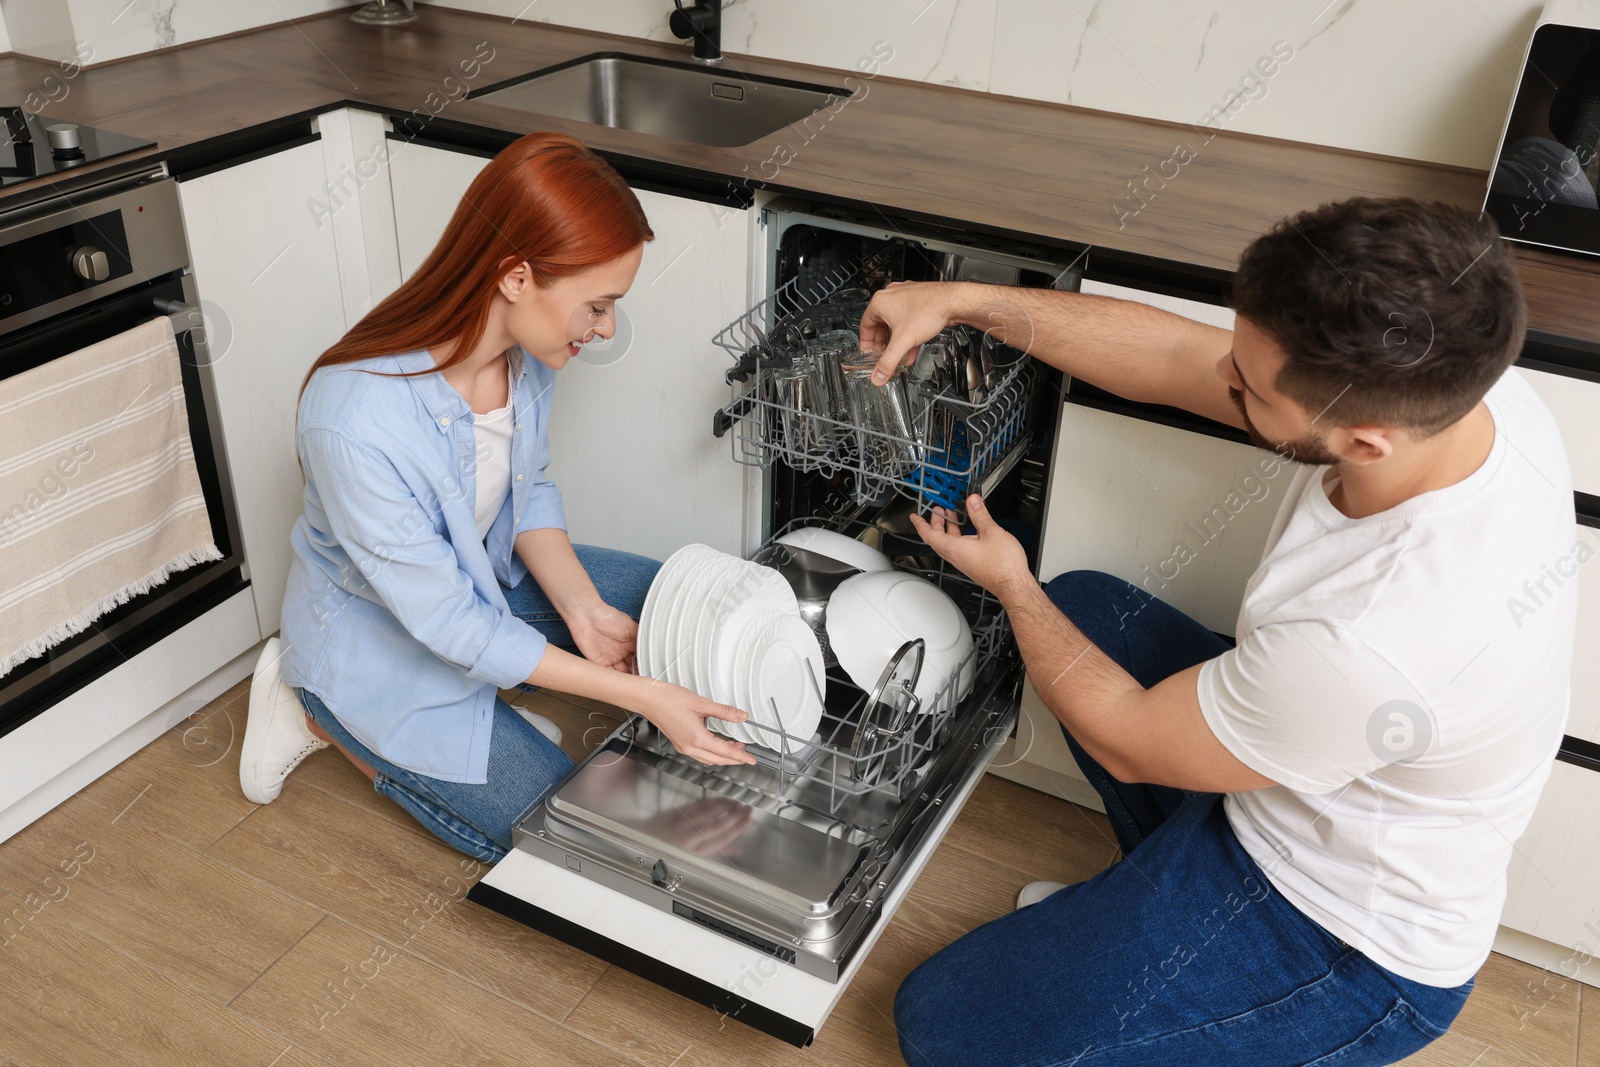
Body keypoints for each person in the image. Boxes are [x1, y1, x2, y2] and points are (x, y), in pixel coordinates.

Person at [866, 198, 1577, 1066]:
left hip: (1340, 934)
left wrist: (1012, 585)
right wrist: (960, 301)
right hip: (1299, 781)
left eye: (1249, 387)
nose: (1224, 382)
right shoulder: (1467, 379)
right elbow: (1175, 357)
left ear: (1365, 440)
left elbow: (1129, 739)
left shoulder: (1382, 635)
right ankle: (1146, 922)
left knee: (945, 1027)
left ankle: (1224, 1005)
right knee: (1088, 609)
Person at [240, 132, 755, 863]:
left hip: (478, 589)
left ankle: (505, 698)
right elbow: (448, 623)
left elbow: (529, 485)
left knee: (674, 606)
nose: (605, 329)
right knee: (582, 845)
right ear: (516, 277)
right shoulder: (353, 419)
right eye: (599, 305)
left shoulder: (529, 357)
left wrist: (583, 608)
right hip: (382, 642)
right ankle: (314, 708)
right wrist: (642, 698)